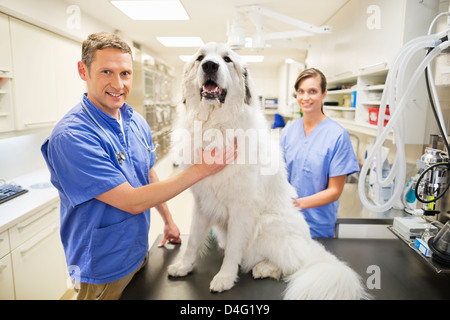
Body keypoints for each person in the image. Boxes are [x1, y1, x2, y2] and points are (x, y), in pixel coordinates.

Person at [41, 32, 236, 300]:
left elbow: (147, 173)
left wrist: (168, 221)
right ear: (82, 71)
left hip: (137, 251)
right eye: (106, 72)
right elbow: (131, 201)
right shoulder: (73, 136)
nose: (118, 84)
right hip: (102, 268)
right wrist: (202, 169)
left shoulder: (133, 120)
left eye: (125, 73)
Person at [280, 68, 359, 238]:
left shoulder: (337, 135)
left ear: (324, 94)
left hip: (318, 227)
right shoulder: (288, 132)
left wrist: (296, 203)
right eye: (301, 91)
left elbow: (334, 191)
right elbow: (280, 176)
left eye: (312, 91)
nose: (305, 97)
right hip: (286, 222)